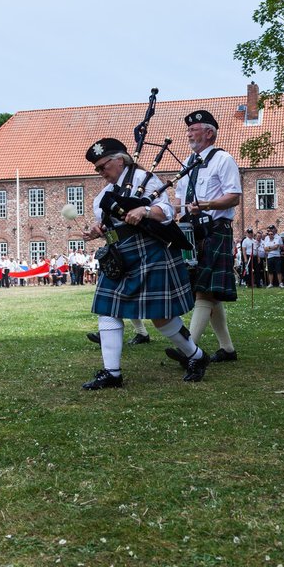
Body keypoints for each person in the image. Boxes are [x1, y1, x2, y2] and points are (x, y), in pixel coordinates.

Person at [80, 137, 208, 389]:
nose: (101, 172)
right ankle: (112, 373)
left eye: (103, 166)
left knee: (160, 317)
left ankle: (196, 356)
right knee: (108, 310)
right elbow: (111, 228)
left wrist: (145, 211)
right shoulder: (104, 195)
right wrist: (98, 230)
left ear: (119, 160)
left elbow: (167, 212)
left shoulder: (143, 180)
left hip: (150, 252)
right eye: (97, 168)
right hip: (121, 255)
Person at [167, 109, 243, 363]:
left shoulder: (223, 159)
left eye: (193, 129)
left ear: (209, 133)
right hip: (191, 231)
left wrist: (208, 205)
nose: (188, 133)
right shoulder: (188, 163)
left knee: (204, 291)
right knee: (208, 291)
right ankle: (228, 349)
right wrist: (172, 216)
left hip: (215, 229)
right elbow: (179, 197)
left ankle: (189, 348)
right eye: (188, 130)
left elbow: (234, 196)